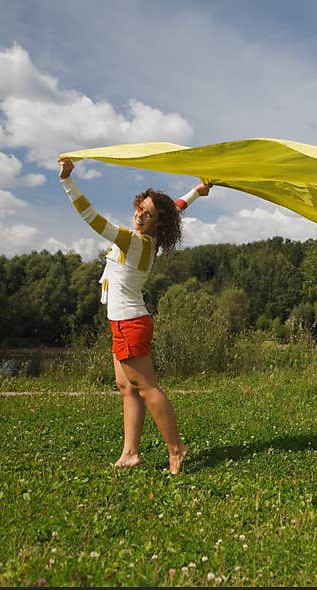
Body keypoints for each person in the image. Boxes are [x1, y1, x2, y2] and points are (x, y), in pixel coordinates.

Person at [58, 157, 212, 474]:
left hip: (131, 322)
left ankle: (177, 449)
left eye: (148, 215)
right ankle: (130, 453)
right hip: (122, 321)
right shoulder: (149, 237)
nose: (140, 217)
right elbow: (177, 207)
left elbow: (92, 218)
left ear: (157, 223)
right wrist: (197, 190)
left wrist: (67, 181)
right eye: (140, 210)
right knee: (126, 387)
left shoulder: (135, 241)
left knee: (147, 388)